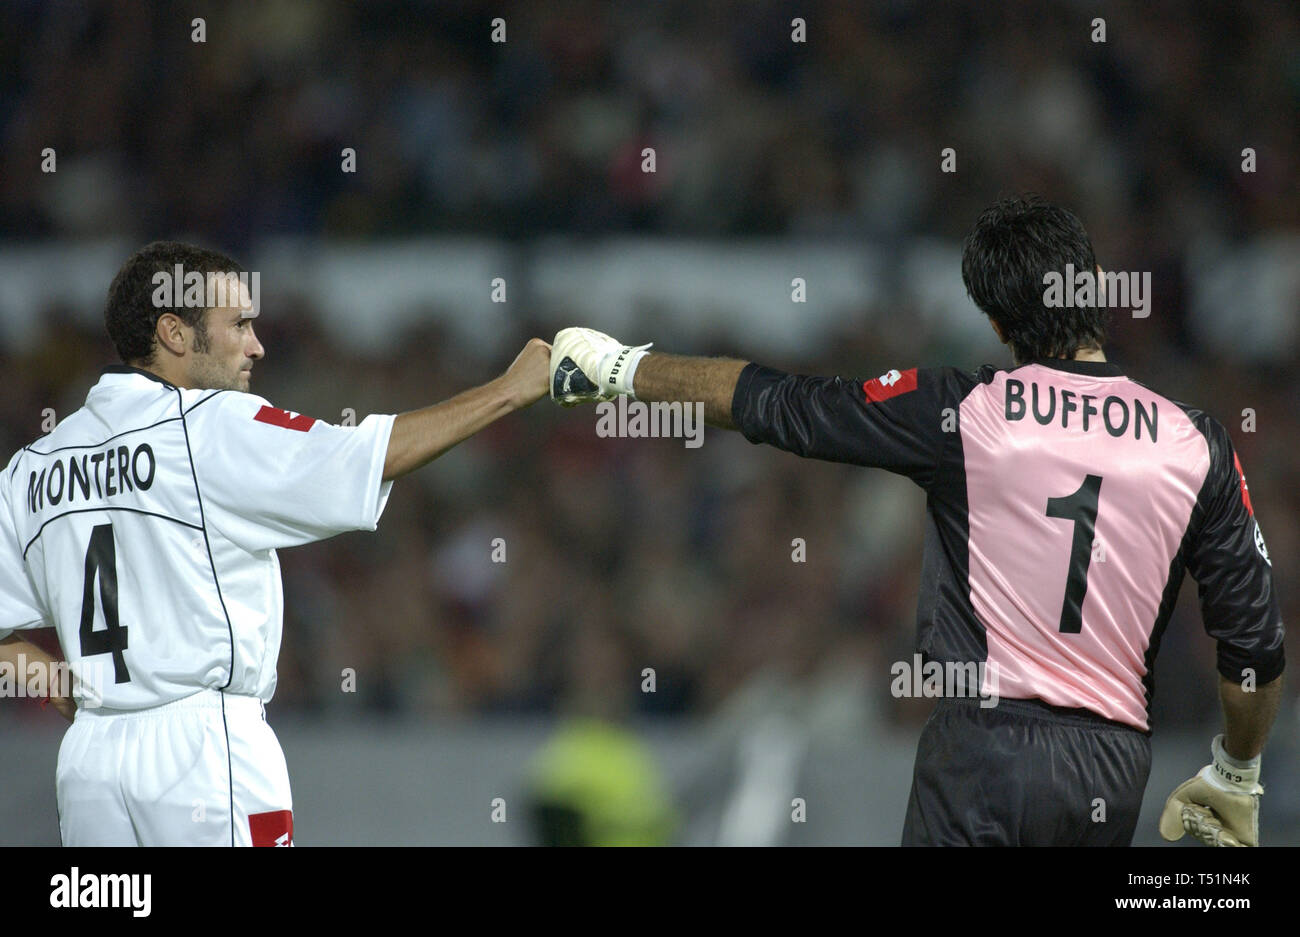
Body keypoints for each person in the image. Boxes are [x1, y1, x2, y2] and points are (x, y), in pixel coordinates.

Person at [548, 195, 1285, 847]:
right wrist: (1236, 776)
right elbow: (1252, 648)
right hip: (1112, 765)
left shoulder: (964, 410)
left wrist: (619, 368)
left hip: (984, 750)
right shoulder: (1196, 443)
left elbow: (783, 406)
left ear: (996, 322)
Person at [0, 240, 550, 846]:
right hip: (203, 751)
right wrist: (509, 390)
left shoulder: (34, 464)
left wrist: (65, 691)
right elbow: (371, 455)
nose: (256, 345)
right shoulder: (208, 424)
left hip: (90, 763)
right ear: (174, 333)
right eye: (237, 324)